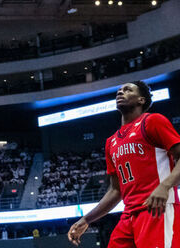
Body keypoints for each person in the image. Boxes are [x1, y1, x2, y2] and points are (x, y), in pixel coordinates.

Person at [68, 80, 180, 247]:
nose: (120, 92)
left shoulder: (152, 121)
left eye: (128, 90)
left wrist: (165, 186)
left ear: (141, 100)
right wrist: (86, 219)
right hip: (129, 215)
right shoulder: (111, 142)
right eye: (119, 90)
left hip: (157, 209)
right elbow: (115, 190)